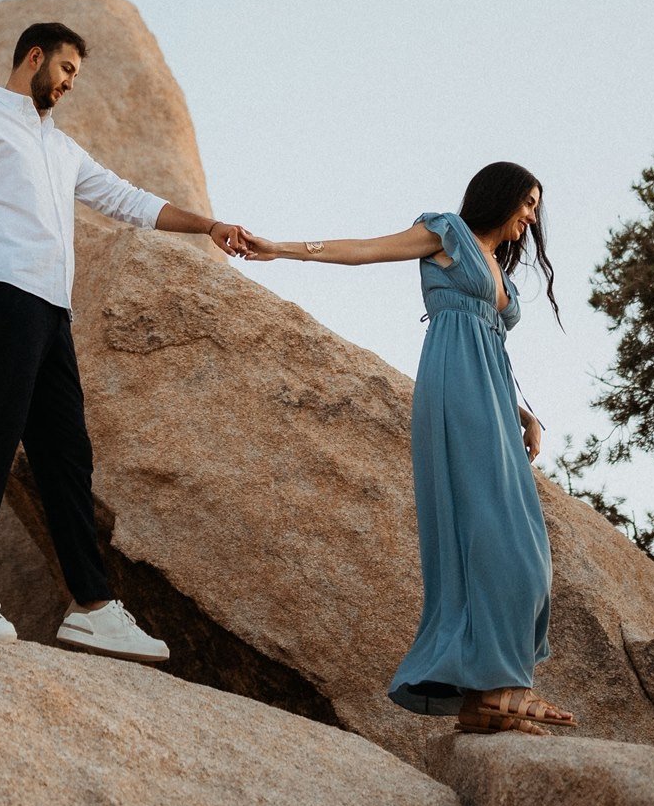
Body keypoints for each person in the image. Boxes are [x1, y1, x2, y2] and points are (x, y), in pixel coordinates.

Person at [0, 21, 254, 662]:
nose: (70, 84)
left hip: (52, 313)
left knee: (68, 456)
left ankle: (92, 607)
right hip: (3, 298)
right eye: (67, 69)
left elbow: (128, 199)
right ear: (35, 57)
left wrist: (208, 226)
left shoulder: (62, 149)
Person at [242, 162, 578, 734]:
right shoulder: (447, 232)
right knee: (499, 542)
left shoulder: (499, 268)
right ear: (498, 197)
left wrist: (522, 412)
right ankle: (501, 688)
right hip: (454, 389)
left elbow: (490, 343)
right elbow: (366, 250)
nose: (532, 214)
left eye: (536, 206)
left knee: (525, 548)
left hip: (491, 394)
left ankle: (480, 701)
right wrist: (281, 248)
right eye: (526, 201)